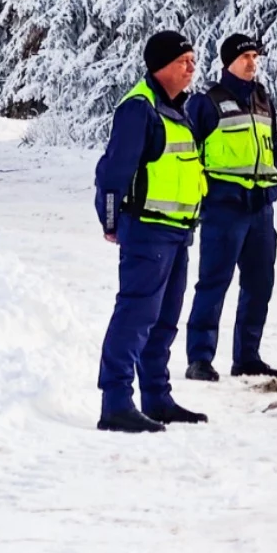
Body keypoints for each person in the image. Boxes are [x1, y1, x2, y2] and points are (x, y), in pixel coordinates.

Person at [92, 31, 211, 433]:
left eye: (193, 60)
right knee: (136, 315)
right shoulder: (139, 108)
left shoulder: (181, 109)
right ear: (160, 66)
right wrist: (110, 221)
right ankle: (115, 403)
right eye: (183, 61)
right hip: (147, 232)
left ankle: (157, 398)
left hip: (177, 233)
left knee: (165, 319)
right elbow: (112, 172)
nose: (191, 67)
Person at [184, 34, 277, 381]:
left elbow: (275, 146)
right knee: (213, 283)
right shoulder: (207, 102)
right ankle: (199, 358)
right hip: (224, 209)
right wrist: (203, 197)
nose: (252, 62)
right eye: (245, 57)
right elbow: (188, 154)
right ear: (228, 62)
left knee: (260, 283)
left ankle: (247, 357)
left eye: (255, 57)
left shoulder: (262, 99)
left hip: (260, 210)